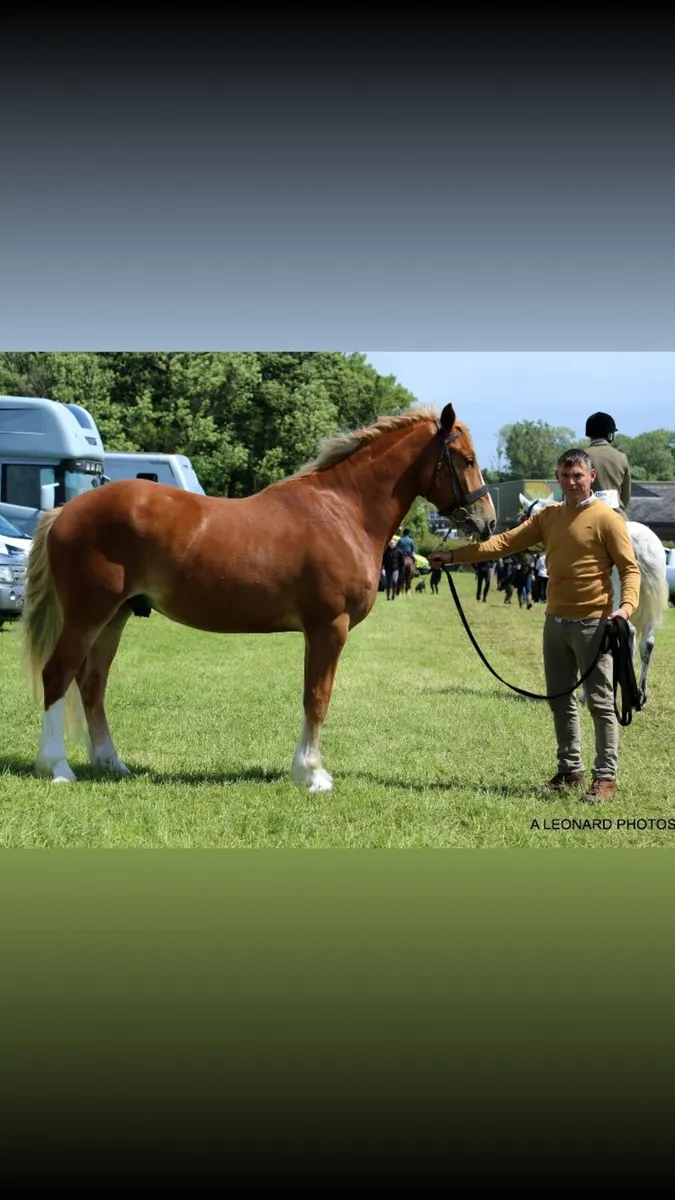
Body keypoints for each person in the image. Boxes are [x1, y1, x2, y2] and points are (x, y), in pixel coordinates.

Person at [429, 448, 641, 804]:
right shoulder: (549, 516)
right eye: (565, 475)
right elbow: (503, 543)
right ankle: (570, 771)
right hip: (554, 622)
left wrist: (625, 608)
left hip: (594, 624)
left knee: (600, 703)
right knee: (560, 699)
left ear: (591, 476)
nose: (571, 482)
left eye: (578, 475)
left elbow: (629, 569)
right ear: (557, 478)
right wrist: (453, 556)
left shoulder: (607, 519)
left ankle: (605, 778)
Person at [585, 411, 632, 519]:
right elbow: (625, 495)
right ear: (610, 434)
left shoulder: (581, 456)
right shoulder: (621, 457)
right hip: (616, 515)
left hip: (588, 515)